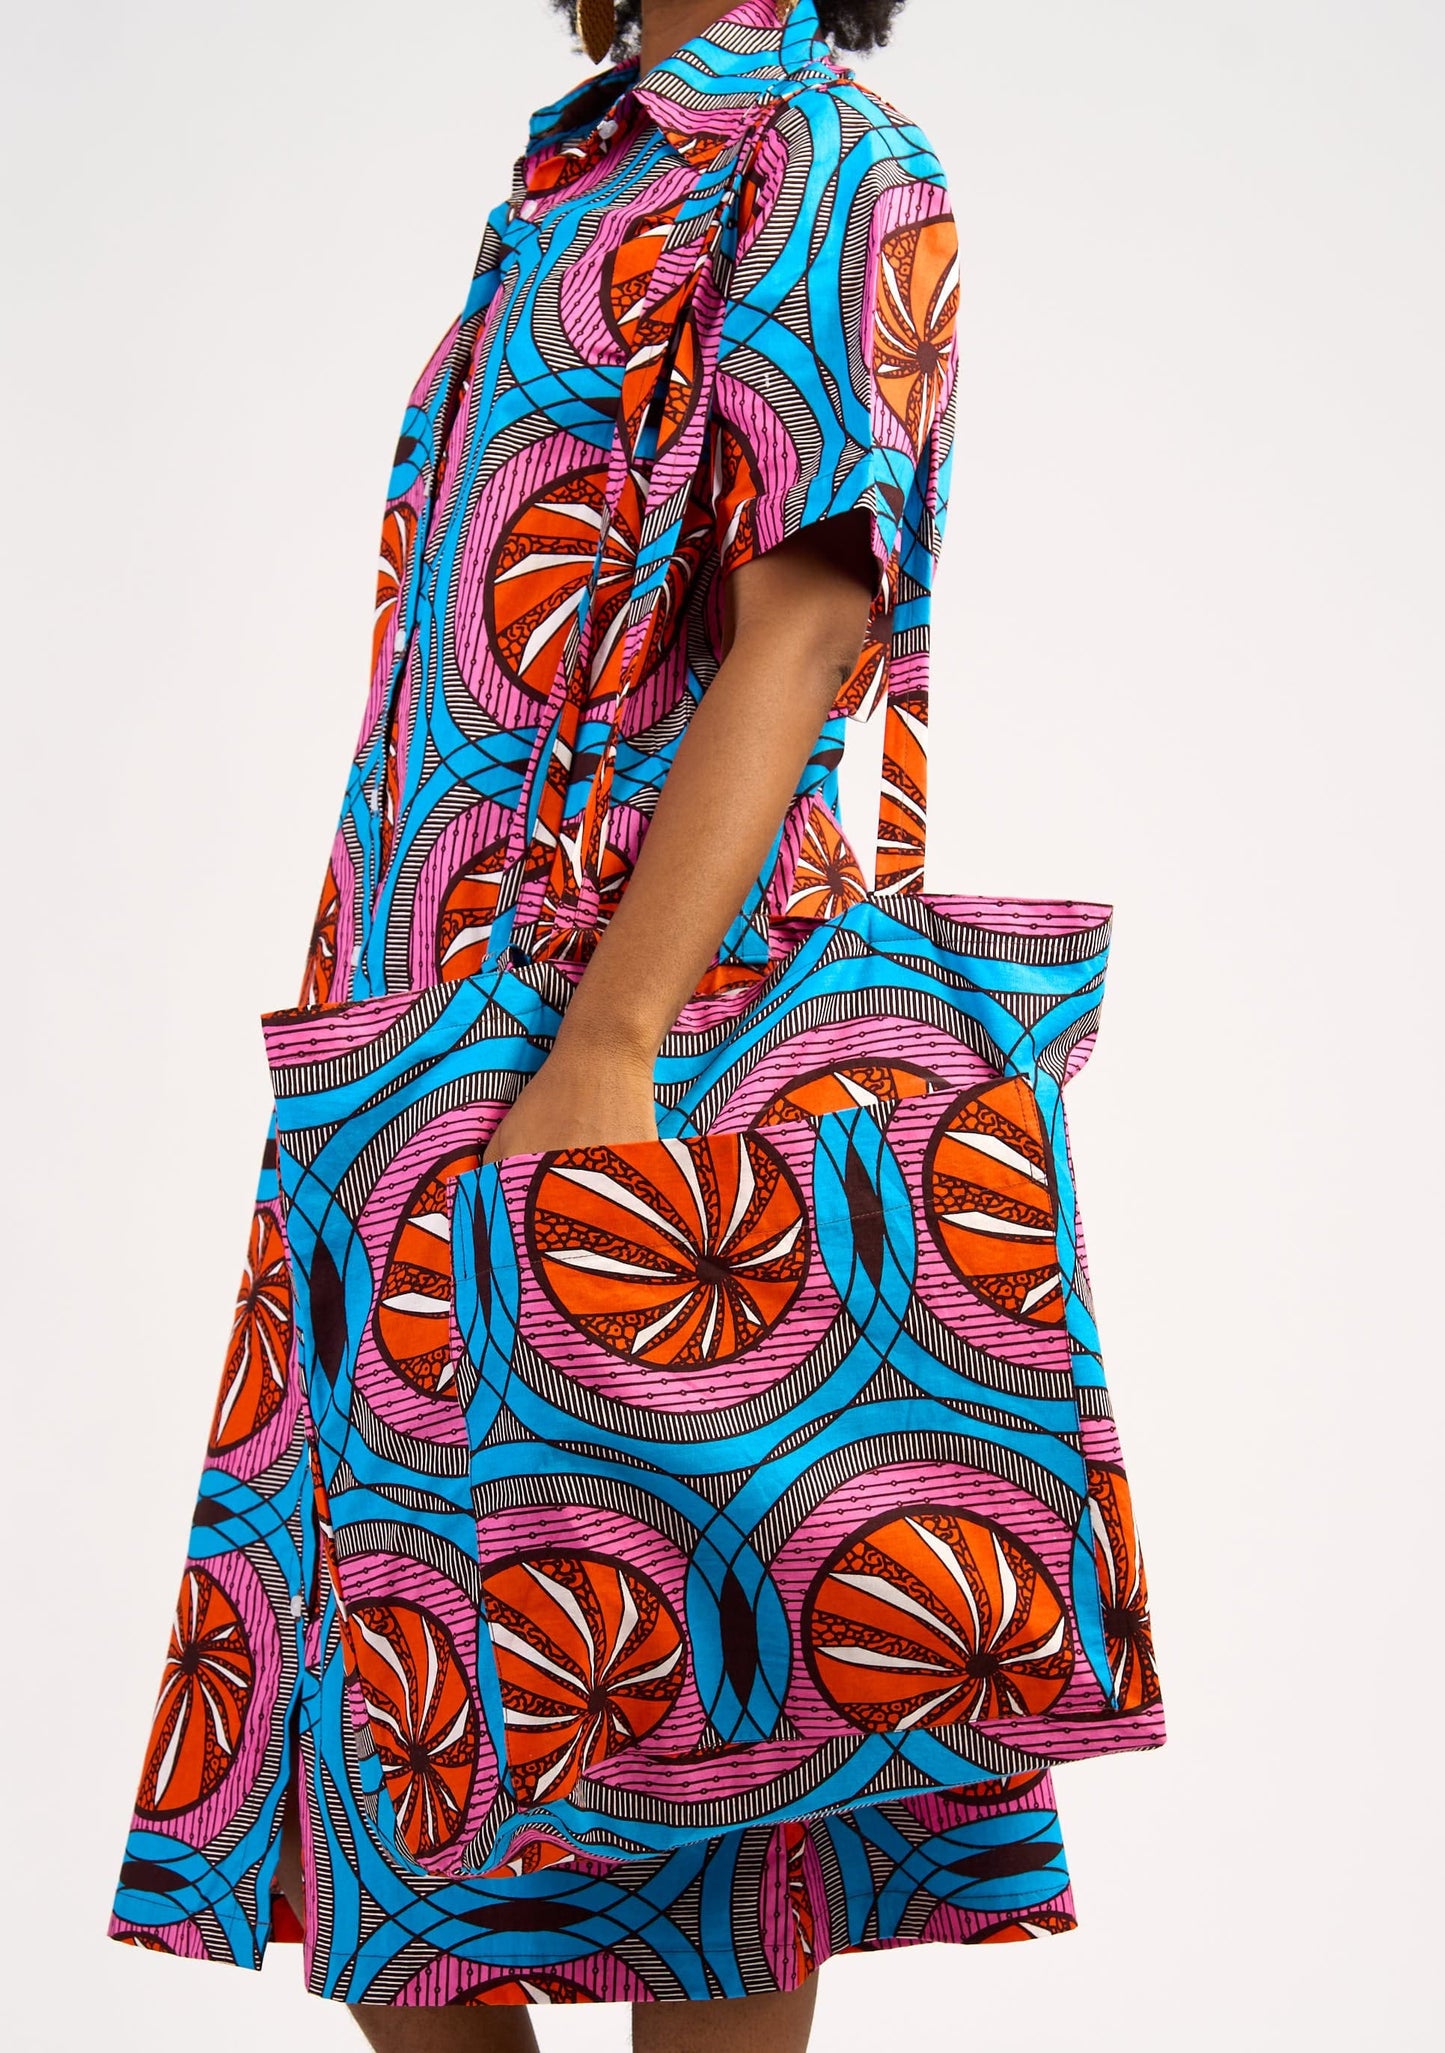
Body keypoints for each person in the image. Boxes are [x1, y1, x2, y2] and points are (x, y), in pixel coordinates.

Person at [110, 4, 1081, 2044]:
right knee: (398, 1806)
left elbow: (807, 618)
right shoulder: (576, 170)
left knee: (700, 1782)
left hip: (635, 1038)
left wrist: (616, 1039)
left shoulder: (829, 157)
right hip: (418, 1041)